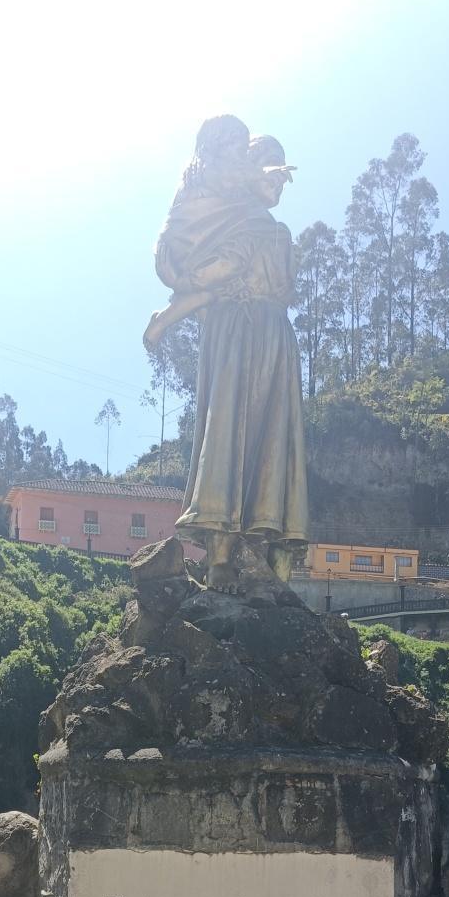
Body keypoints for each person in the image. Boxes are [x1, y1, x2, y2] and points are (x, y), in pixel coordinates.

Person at [146, 121, 308, 591]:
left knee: (269, 445)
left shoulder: (274, 231)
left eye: (283, 175)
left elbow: (230, 278)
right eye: (270, 170)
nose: (278, 181)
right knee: (228, 437)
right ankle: (221, 559)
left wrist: (167, 315)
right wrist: (169, 314)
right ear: (243, 171)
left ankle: (262, 558)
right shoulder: (242, 224)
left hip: (274, 339)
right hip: (241, 335)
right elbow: (219, 275)